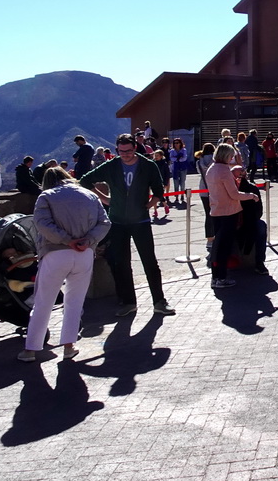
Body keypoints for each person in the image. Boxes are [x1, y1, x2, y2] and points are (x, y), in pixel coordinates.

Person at [18, 167, 110, 363]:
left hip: (55, 253)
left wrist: (67, 240)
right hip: (84, 253)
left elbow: (42, 224)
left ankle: (31, 349)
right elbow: (104, 222)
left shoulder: (46, 196)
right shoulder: (90, 196)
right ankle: (69, 346)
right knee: (75, 302)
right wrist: (88, 240)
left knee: (43, 302)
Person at [79, 133, 175, 317]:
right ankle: (129, 302)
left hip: (141, 221)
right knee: (121, 263)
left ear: (135, 149)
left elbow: (158, 189)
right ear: (117, 150)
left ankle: (159, 302)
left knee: (150, 262)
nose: (125, 154)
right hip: (118, 221)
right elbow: (85, 180)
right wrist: (105, 199)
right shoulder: (111, 166)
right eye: (121, 151)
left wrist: (150, 204)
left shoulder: (148, 166)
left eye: (129, 151)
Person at [205, 143, 260, 289]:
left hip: (216, 211)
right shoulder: (224, 171)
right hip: (228, 212)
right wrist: (251, 196)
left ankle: (216, 277)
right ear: (226, 155)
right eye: (231, 156)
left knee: (217, 246)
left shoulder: (211, 169)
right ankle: (221, 277)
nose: (232, 159)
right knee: (224, 247)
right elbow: (234, 194)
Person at [234, 166, 269, 275]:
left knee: (261, 226)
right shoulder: (230, 188)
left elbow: (259, 210)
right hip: (232, 218)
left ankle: (259, 262)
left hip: (250, 219)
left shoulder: (252, 189)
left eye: (242, 176)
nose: (240, 179)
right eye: (238, 177)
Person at [194, 143, 216, 251]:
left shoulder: (199, 162)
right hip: (215, 188)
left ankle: (209, 239)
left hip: (203, 188)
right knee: (217, 212)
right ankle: (217, 234)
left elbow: (199, 172)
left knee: (208, 214)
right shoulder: (216, 160)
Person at [169, 138, 188, 205]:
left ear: (180, 143)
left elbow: (184, 158)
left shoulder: (184, 150)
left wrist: (177, 159)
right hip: (175, 168)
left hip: (183, 168)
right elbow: (171, 158)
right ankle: (176, 196)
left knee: (182, 182)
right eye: (175, 143)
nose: (176, 144)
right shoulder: (172, 151)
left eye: (178, 143)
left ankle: (182, 195)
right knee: (176, 182)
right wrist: (178, 158)